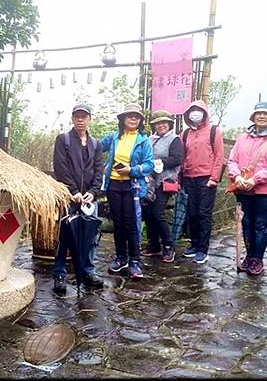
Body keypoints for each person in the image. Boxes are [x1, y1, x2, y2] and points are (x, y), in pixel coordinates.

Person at [51, 104, 105, 294]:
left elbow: (100, 170)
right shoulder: (63, 140)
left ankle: (87, 272)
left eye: (84, 116)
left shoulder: (96, 144)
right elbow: (61, 167)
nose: (80, 119)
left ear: (90, 119)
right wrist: (73, 191)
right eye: (77, 116)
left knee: (90, 237)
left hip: (89, 199)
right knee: (65, 235)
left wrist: (94, 191)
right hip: (69, 197)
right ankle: (59, 274)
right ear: (72, 119)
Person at [227, 102, 267, 275]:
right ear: (253, 117)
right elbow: (232, 161)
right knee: (246, 223)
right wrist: (237, 176)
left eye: (266, 114)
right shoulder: (242, 138)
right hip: (243, 188)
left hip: (265, 190)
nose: (262, 116)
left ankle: (257, 259)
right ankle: (249, 255)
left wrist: (255, 179)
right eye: (258, 113)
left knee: (260, 224)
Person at [99, 103, 154, 279]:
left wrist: (132, 170)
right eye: (130, 116)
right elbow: (96, 148)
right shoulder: (114, 137)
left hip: (132, 186)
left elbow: (149, 165)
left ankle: (135, 261)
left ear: (140, 121)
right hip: (114, 185)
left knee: (131, 224)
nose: (133, 119)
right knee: (119, 223)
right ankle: (121, 257)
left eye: (136, 117)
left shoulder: (143, 141)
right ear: (123, 118)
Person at [180, 99, 225, 264]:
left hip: (207, 179)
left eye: (199, 110)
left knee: (203, 214)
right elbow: (182, 157)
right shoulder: (185, 134)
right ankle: (194, 244)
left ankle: (203, 249)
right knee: (191, 213)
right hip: (189, 178)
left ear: (205, 113)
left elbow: (219, 156)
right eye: (192, 111)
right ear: (188, 115)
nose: (195, 114)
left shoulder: (214, 131)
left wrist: (214, 178)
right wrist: (180, 178)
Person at [141, 110, 184, 263]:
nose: (161, 125)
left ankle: (168, 245)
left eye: (164, 122)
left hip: (165, 181)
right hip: (149, 182)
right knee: (148, 213)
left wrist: (161, 162)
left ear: (169, 124)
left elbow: (177, 158)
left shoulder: (174, 139)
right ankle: (153, 245)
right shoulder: (149, 139)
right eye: (158, 123)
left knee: (157, 212)